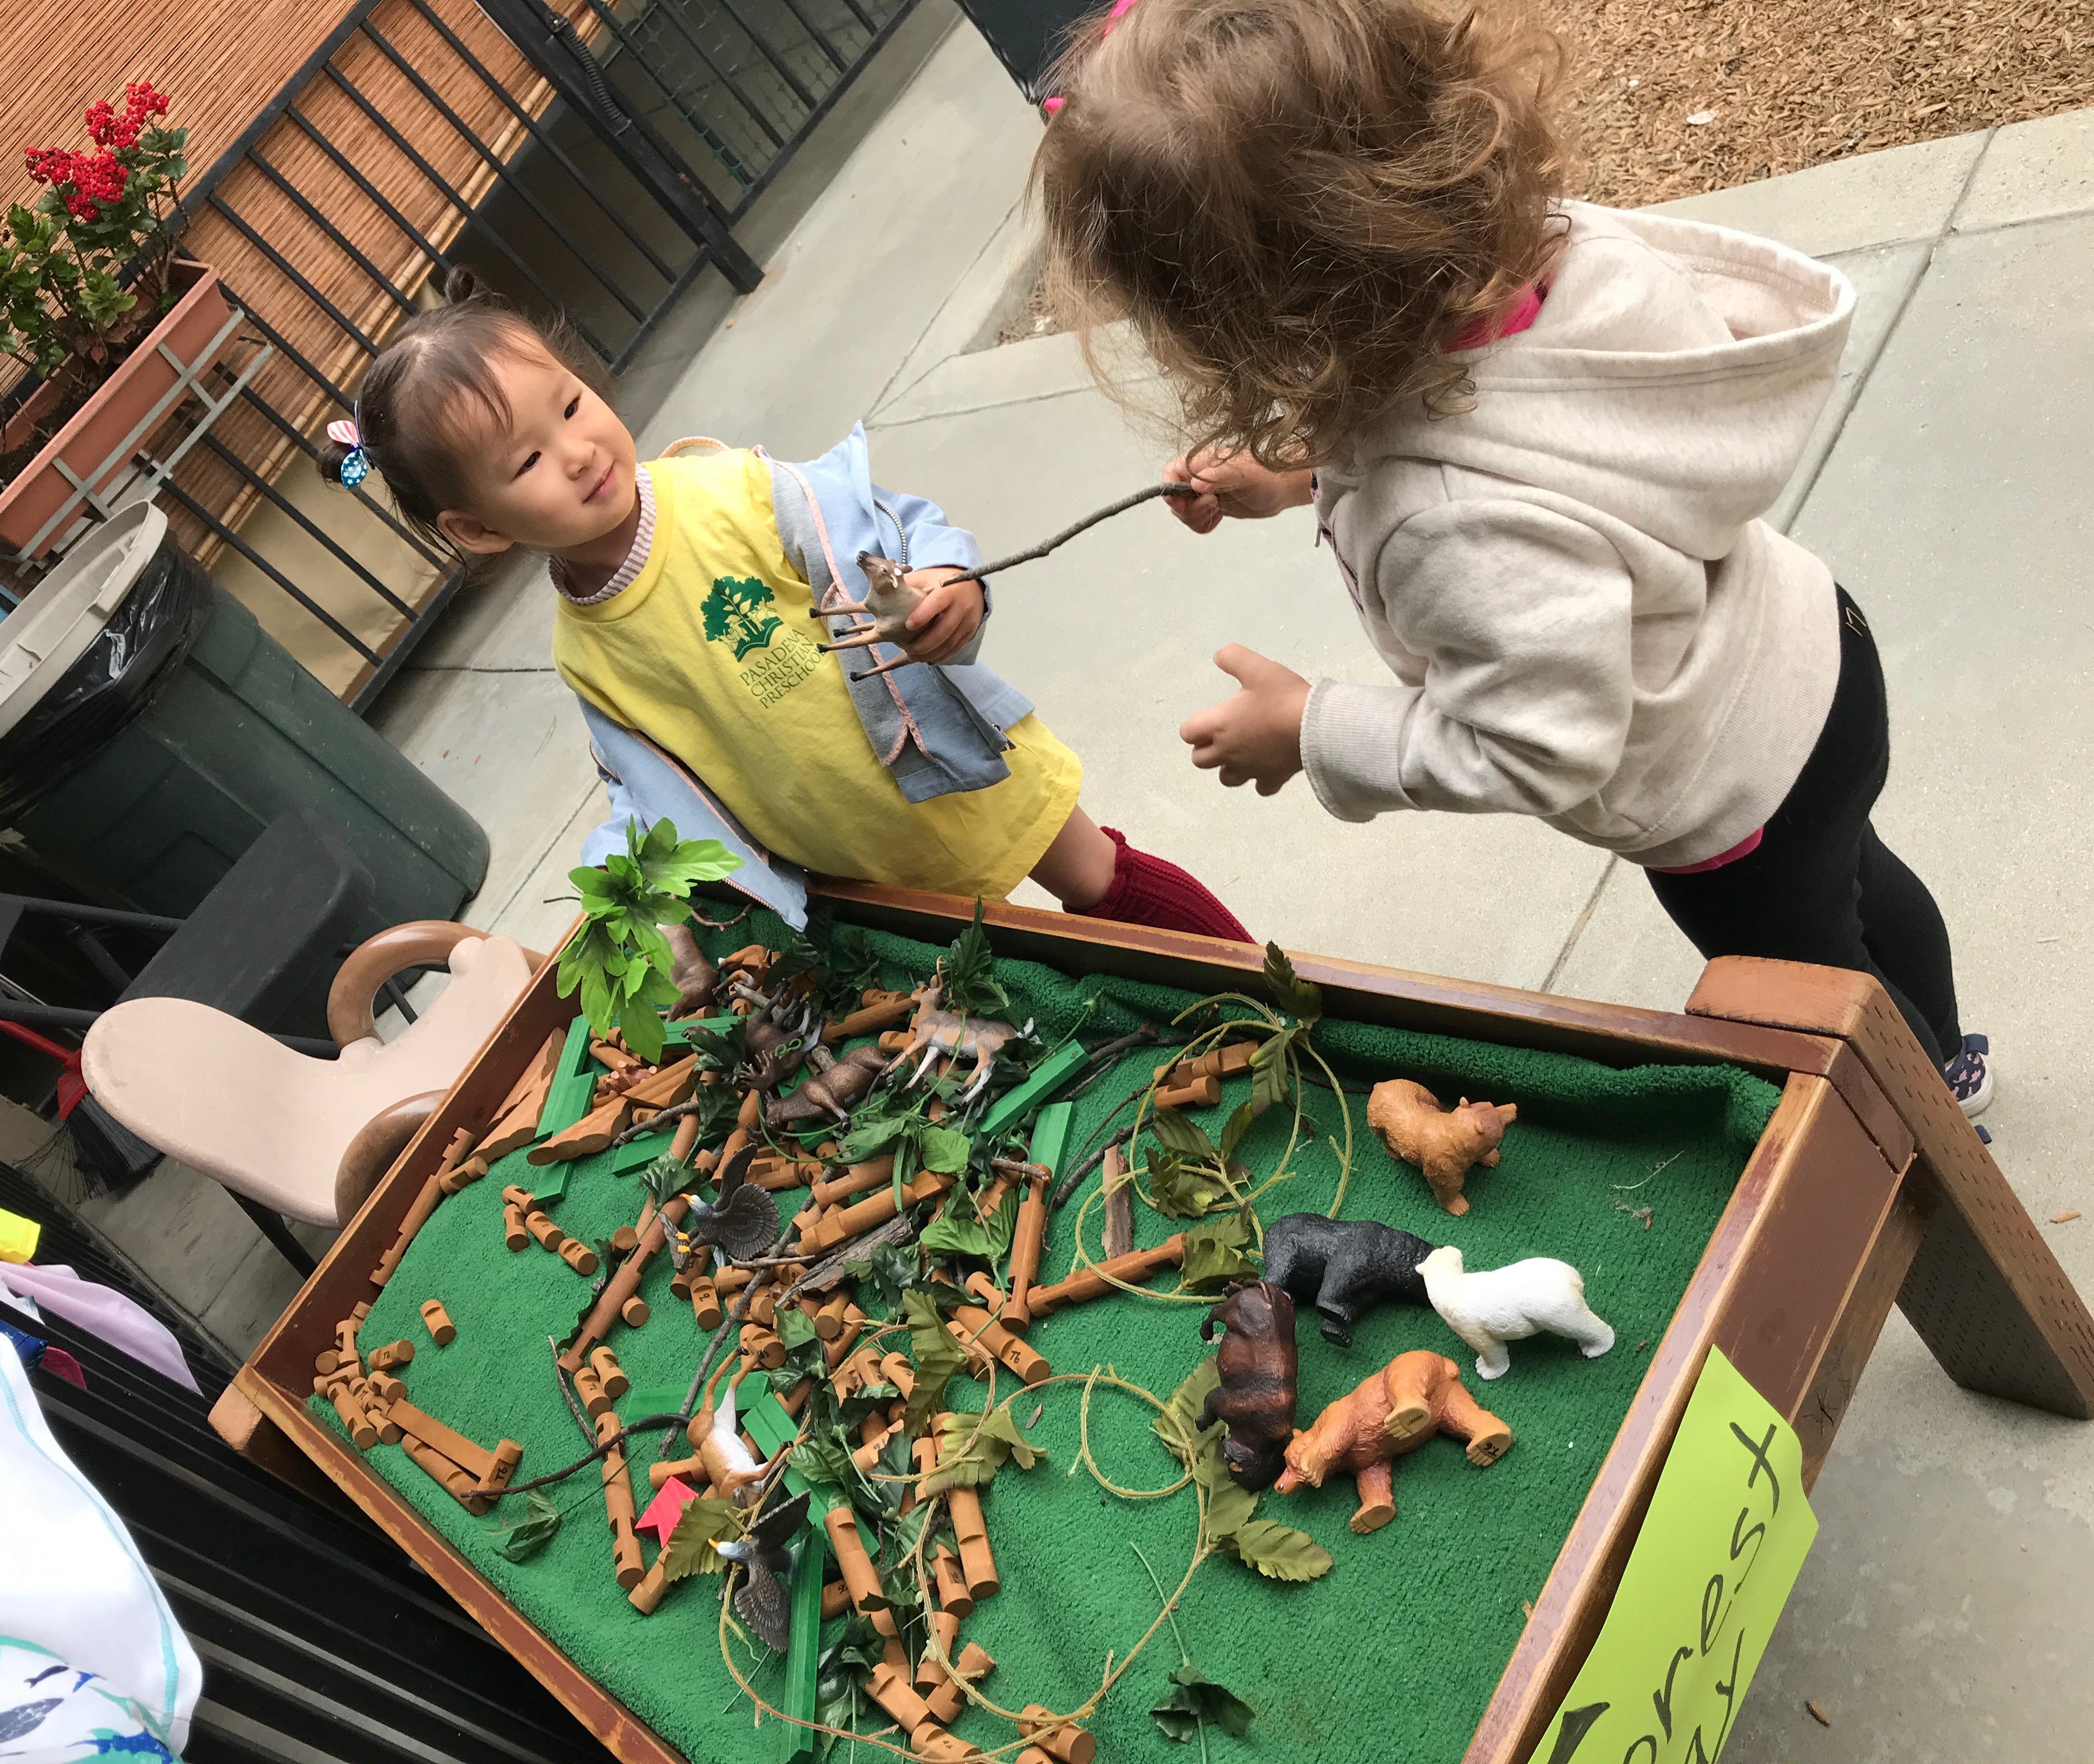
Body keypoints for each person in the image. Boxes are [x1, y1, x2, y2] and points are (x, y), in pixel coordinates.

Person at [1028, 0, 1988, 1110]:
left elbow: (1543, 744)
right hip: (1818, 657)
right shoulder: (1557, 254)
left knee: (1825, 986)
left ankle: (1934, 1128)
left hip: (1731, 792)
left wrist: (1311, 729)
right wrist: (1301, 476)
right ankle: (1956, 1059)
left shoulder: (1446, 519)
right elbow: (1533, 449)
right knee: (1860, 877)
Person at [314, 272, 1249, 943]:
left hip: (947, 760)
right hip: (848, 847)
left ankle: (1275, 991)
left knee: (1099, 880)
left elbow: (887, 526)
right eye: (526, 461)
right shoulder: (583, 651)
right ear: (479, 529)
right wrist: (636, 892)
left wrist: (946, 579)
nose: (577, 451)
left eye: (569, 406)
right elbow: (644, 781)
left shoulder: (730, 491)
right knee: (994, 964)